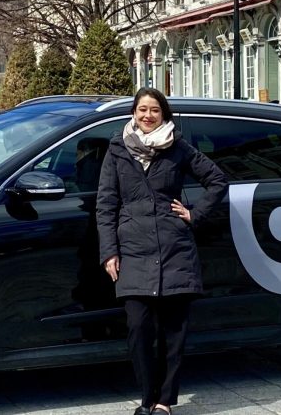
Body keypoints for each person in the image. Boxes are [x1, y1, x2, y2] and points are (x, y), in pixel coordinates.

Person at [96, 87, 227, 415]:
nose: (147, 116)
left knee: (173, 333)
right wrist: (109, 252)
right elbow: (106, 204)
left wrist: (194, 214)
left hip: (174, 250)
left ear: (164, 114)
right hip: (134, 251)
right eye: (142, 110)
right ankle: (146, 398)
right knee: (139, 328)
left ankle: (164, 402)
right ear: (134, 113)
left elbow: (217, 180)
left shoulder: (178, 148)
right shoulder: (117, 150)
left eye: (154, 110)